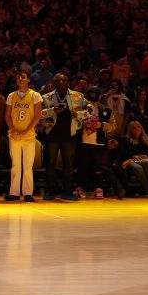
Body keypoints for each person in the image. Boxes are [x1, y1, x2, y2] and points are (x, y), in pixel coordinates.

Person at [40, 73, 86, 202]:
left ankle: (67, 191)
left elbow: (90, 111)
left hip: (69, 135)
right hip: (52, 135)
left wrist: (78, 113)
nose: (60, 81)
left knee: (69, 165)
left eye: (63, 80)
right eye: (58, 80)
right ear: (54, 82)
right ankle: (50, 191)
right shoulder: (46, 97)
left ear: (68, 82)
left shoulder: (78, 96)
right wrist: (52, 110)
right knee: (50, 164)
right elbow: (39, 114)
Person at [4, 71, 43, 202]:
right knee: (15, 165)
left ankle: (27, 193)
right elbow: (7, 115)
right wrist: (13, 129)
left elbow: (38, 115)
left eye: (23, 77)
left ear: (28, 80)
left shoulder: (35, 95)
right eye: (19, 77)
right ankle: (14, 192)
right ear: (16, 80)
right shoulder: (11, 96)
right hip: (14, 135)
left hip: (29, 135)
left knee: (27, 165)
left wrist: (26, 130)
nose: (21, 79)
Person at [112, 121, 148, 198]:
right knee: (138, 167)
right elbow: (122, 153)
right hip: (129, 161)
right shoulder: (125, 139)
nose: (136, 129)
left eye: (138, 127)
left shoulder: (146, 139)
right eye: (133, 128)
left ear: (141, 128)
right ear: (130, 130)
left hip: (142, 160)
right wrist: (133, 155)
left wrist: (146, 155)